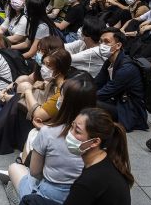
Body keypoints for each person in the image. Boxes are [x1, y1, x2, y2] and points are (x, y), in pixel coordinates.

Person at [6, 73, 97, 203]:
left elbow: (35, 172)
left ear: (66, 102)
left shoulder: (49, 132)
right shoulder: (100, 134)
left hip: (48, 195)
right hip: (81, 196)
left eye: (61, 95)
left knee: (15, 168)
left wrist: (46, 130)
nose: (58, 98)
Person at [21, 107, 132, 205]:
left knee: (29, 201)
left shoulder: (88, 181)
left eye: (77, 132)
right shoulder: (106, 159)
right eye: (71, 127)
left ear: (95, 142)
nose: (70, 134)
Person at [94, 28, 148, 131]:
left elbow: (107, 91)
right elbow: (97, 82)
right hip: (117, 101)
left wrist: (82, 96)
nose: (102, 45)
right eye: (100, 41)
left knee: (90, 102)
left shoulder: (127, 68)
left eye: (106, 42)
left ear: (118, 45)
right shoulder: (109, 61)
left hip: (130, 110)